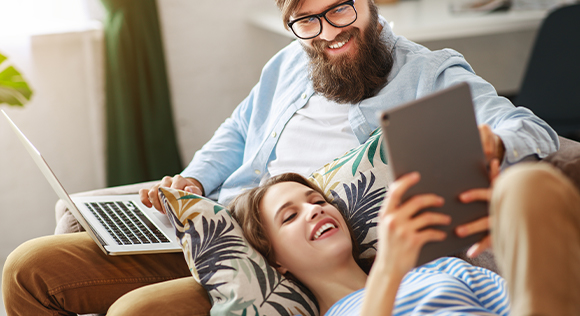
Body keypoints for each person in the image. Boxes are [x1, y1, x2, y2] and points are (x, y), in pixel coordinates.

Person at [1, 0, 560, 315]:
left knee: (136, 313)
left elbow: (529, 128)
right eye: (307, 21)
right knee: (29, 267)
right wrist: (194, 182)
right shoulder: (293, 60)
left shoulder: (431, 74)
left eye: (339, 11)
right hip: (222, 223)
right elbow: (237, 131)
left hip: (293, 258)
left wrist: (493, 142)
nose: (327, 34)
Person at [230, 166, 580, 316]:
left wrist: (513, 240)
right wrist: (389, 270)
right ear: (276, 260)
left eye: (318, 201)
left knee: (528, 184)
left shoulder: (443, 267)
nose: (314, 211)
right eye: (289, 216)